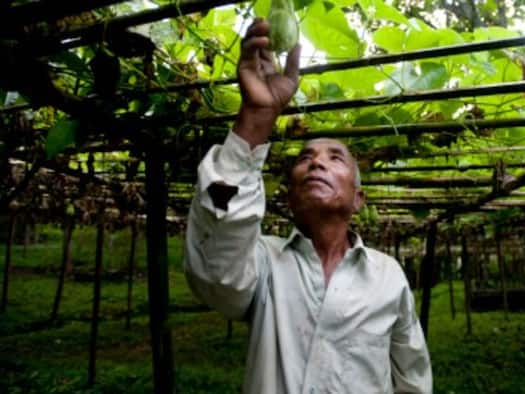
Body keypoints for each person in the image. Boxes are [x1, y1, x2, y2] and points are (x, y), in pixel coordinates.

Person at [184, 18, 432, 394]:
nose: (317, 162)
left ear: (358, 199)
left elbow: (412, 377)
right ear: (288, 196)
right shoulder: (263, 260)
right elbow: (214, 276)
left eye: (336, 158)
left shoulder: (389, 275)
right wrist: (256, 118)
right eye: (305, 158)